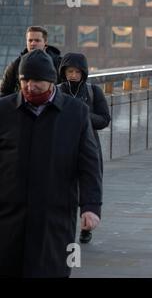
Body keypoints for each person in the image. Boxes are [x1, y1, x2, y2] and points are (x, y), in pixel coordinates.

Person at [0, 49, 102, 277]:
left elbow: (89, 163)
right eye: (24, 80)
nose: (29, 86)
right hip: (9, 213)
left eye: (36, 81)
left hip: (54, 214)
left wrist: (91, 206)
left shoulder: (75, 112)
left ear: (51, 81)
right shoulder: (4, 110)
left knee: (51, 269)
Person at [57, 52, 111, 243]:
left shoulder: (93, 91)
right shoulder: (57, 91)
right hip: (63, 147)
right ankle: (66, 226)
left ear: (83, 72)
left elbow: (105, 119)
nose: (72, 75)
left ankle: (86, 226)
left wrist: (84, 115)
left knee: (88, 186)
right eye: (69, 71)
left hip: (89, 147)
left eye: (76, 71)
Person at [1, 26, 62, 97]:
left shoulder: (58, 63)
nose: (33, 43)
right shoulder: (16, 65)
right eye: (30, 40)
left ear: (45, 42)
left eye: (37, 40)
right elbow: (4, 92)